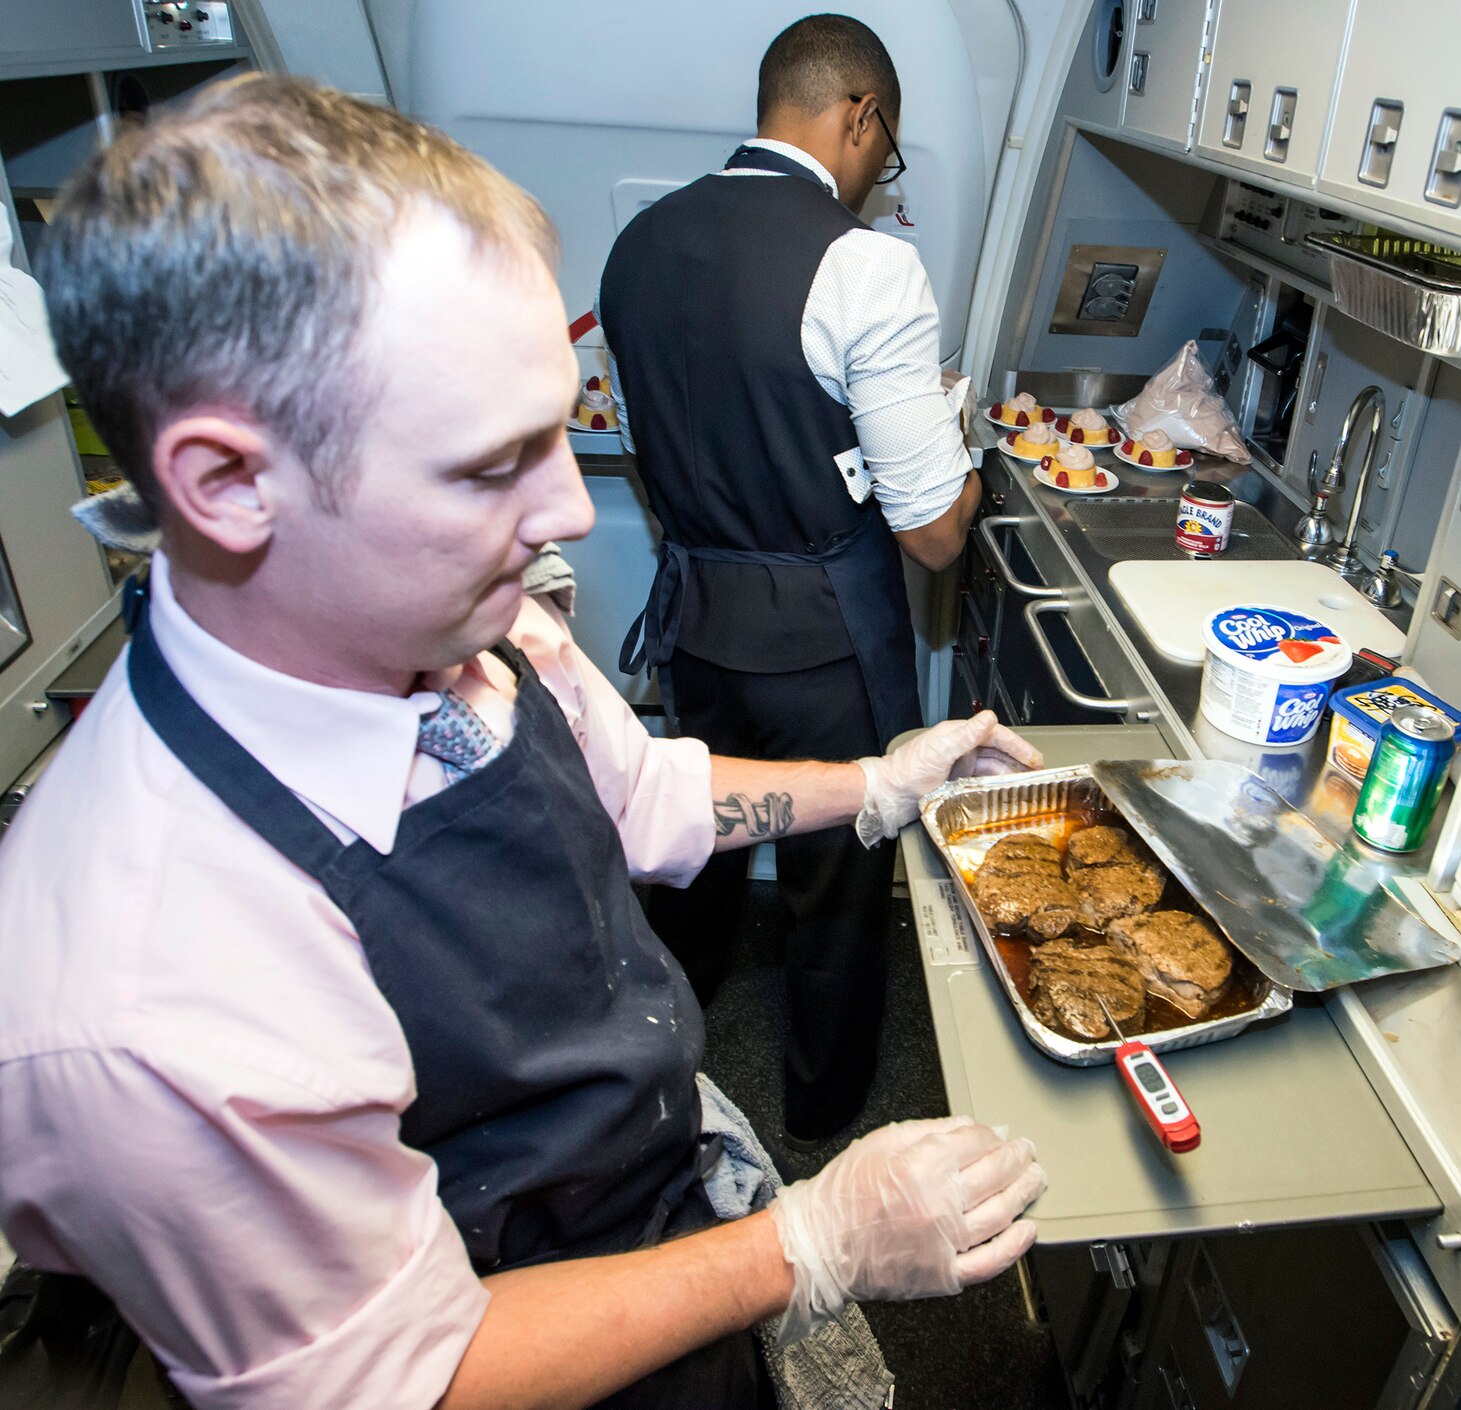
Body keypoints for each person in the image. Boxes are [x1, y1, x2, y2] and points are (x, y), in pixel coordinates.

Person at [0, 76, 1045, 1410]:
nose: (564, 507)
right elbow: (410, 1376)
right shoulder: (141, 994)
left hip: (646, 1196)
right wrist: (807, 1244)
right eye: (493, 463)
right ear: (226, 483)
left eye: (560, 420)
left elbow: (646, 791)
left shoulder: (469, 634)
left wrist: (878, 783)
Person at [598, 14, 981, 1147]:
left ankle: (664, 1067)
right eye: (886, 149)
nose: (877, 177)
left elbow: (646, 440)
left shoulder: (638, 244)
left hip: (696, 618)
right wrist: (971, 466)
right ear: (858, 114)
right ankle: (820, 1117)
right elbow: (931, 539)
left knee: (697, 851)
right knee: (834, 885)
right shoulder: (867, 266)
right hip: (825, 638)